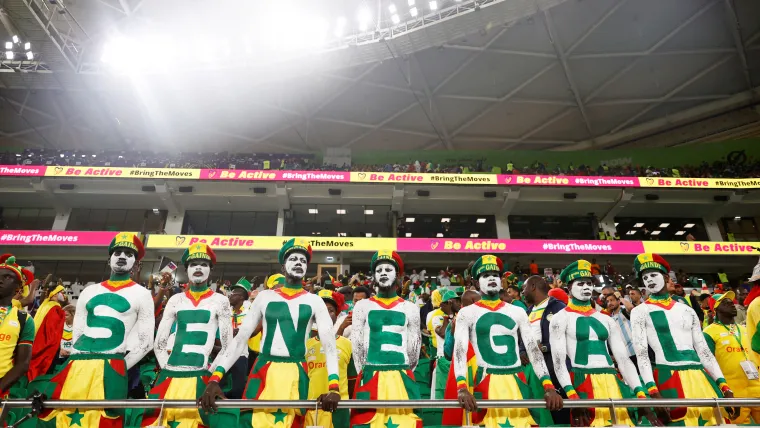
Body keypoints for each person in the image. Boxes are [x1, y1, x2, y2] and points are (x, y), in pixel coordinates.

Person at [200, 238, 340, 427]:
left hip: (296, 372)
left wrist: (334, 387)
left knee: (291, 423)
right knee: (252, 421)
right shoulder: (265, 297)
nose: (299, 263)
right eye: (293, 259)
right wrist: (216, 378)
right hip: (263, 370)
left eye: (303, 261)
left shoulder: (315, 301)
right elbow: (241, 339)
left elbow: (330, 346)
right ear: (283, 267)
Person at [39, 232, 155, 427]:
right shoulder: (89, 291)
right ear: (108, 258)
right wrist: (77, 358)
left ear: (135, 263)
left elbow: (146, 342)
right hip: (77, 362)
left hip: (113, 362)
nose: (122, 256)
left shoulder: (142, 294)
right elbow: (77, 333)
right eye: (117, 252)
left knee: (105, 419)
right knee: (62, 416)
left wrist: (119, 367)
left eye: (128, 253)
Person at [455, 255, 562, 427]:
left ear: (502, 280)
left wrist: (547, 385)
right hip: (485, 380)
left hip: (516, 380)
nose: (491, 278)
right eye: (485, 275)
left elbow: (533, 351)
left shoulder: (517, 312)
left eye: (495, 275)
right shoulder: (466, 313)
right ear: (476, 283)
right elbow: (459, 352)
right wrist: (461, 387)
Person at [630, 253, 734, 426]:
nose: (649, 280)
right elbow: (641, 354)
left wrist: (724, 385)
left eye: (653, 275)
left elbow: (703, 351)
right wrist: (652, 390)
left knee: (714, 422)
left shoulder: (686, 310)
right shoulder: (639, 311)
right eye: (645, 277)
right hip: (668, 375)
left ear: (665, 277)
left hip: (700, 376)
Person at [550, 260, 655, 427]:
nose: (586, 287)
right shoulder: (560, 318)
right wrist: (572, 394)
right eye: (580, 283)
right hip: (582, 381)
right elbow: (558, 361)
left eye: (589, 283)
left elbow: (623, 360)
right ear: (569, 288)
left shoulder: (606, 319)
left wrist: (640, 394)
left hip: (612, 380)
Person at [142, 243, 232, 427]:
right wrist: (168, 368)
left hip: (201, 375)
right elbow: (159, 343)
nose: (198, 268)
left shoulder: (221, 301)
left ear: (211, 270)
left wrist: (212, 374)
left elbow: (226, 347)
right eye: (193, 264)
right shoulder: (176, 299)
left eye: (203, 264)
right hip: (169, 376)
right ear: (187, 269)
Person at [350, 250, 422, 428]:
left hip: (401, 375)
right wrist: (367, 373)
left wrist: (400, 370)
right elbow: (357, 346)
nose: (383, 273)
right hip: (370, 374)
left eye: (388, 269)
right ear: (373, 276)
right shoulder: (362, 306)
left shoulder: (411, 308)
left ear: (398, 275)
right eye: (379, 270)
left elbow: (414, 350)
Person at [703, 291, 760, 424]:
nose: (731, 304)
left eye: (731, 302)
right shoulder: (708, 333)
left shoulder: (745, 328)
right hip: (733, 393)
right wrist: (721, 393)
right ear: (715, 309)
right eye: (725, 302)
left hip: (757, 388)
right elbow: (707, 366)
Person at [522, 275, 570, 425]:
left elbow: (568, 337)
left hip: (554, 368)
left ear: (533, 286)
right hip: (533, 369)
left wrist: (544, 348)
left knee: (557, 410)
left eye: (524, 288)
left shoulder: (558, 307)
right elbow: (522, 337)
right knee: (540, 411)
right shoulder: (528, 311)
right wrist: (523, 351)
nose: (522, 292)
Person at [305, 289, 356, 428]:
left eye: (330, 310)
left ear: (336, 315)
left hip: (339, 409)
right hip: (310, 408)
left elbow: (352, 380)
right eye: (321, 310)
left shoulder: (347, 344)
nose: (326, 315)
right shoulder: (305, 345)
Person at [0, 255, 35, 426]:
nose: (0, 280)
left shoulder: (23, 319)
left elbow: (23, 364)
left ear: (18, 288)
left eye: (7, 277)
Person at [27, 280, 67, 381]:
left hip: (40, 343)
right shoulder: (55, 309)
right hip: (48, 347)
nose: (64, 294)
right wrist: (55, 347)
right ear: (54, 295)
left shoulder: (46, 306)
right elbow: (52, 332)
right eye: (62, 292)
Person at [223, 277, 255, 399]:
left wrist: (241, 332)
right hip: (223, 353)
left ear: (241, 297)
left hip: (240, 354)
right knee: (218, 384)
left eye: (234, 293)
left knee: (238, 388)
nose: (230, 295)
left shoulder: (249, 311)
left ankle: (234, 411)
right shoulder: (225, 312)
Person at [429, 290, 460, 401]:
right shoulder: (437, 318)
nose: (459, 304)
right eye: (456, 301)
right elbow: (442, 333)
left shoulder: (461, 318)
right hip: (442, 360)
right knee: (441, 395)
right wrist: (449, 316)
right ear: (448, 303)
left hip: (457, 361)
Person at [605, 292, 637, 368]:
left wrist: (620, 296)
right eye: (608, 301)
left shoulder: (624, 310)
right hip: (625, 355)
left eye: (612, 300)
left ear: (618, 301)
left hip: (636, 350)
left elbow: (630, 308)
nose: (609, 303)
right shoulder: (610, 318)